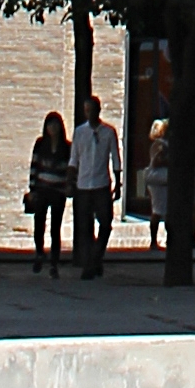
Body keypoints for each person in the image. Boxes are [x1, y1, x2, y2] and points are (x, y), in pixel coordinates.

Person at [70, 95, 122, 278]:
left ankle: (96, 256)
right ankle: (90, 264)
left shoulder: (108, 132)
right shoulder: (79, 132)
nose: (89, 113)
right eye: (86, 110)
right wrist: (71, 182)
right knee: (85, 226)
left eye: (91, 110)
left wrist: (118, 181)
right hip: (83, 184)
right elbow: (74, 159)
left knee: (106, 223)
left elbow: (115, 157)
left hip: (101, 183)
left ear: (98, 110)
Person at [25, 110, 72, 270]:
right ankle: (39, 252)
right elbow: (34, 166)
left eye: (55, 125)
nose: (53, 128)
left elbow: (69, 169)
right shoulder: (40, 145)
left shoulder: (66, 148)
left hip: (58, 191)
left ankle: (54, 260)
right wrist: (32, 189)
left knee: (55, 226)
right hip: (42, 189)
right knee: (39, 222)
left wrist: (68, 186)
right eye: (50, 125)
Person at [136, 118, 171, 259]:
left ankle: (167, 239)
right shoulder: (159, 145)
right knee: (158, 210)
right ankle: (154, 240)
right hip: (159, 180)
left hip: (165, 179)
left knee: (165, 210)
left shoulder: (165, 143)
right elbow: (157, 161)